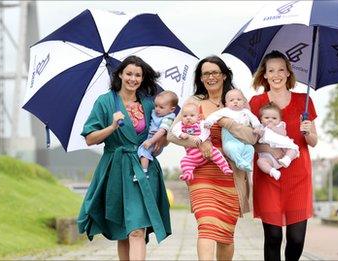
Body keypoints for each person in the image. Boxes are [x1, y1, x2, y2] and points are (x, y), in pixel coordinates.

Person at [77, 55, 171, 261]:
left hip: (143, 169)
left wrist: (162, 140)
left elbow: (158, 141)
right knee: (124, 231)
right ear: (120, 74)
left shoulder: (150, 104)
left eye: (138, 75)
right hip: (116, 169)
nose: (133, 79)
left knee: (138, 229)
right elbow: (90, 139)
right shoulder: (105, 102)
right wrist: (111, 127)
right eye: (129, 73)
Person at [167, 55, 258, 260]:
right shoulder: (193, 103)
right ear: (200, 78)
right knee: (206, 225)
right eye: (206, 73)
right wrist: (200, 141)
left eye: (215, 72)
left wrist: (226, 122)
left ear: (224, 75)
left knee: (226, 237)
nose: (211, 77)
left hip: (231, 175)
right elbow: (172, 134)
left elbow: (252, 137)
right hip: (202, 173)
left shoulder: (238, 101)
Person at [249, 50, 318, 261]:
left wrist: (308, 131)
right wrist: (270, 151)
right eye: (271, 70)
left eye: (281, 69)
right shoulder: (256, 102)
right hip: (269, 175)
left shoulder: (304, 101)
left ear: (288, 73)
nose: (276, 74)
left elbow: (313, 142)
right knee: (273, 236)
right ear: (265, 74)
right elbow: (251, 141)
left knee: (296, 239)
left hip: (298, 176)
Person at [171, 102, 233, 181]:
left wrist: (200, 139)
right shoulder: (180, 125)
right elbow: (174, 130)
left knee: (216, 152)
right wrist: (180, 134)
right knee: (184, 161)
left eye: (192, 115)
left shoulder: (201, 123)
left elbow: (206, 132)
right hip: (192, 156)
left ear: (198, 116)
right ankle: (188, 174)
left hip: (207, 152)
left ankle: (225, 168)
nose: (188, 118)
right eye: (185, 116)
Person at [203, 89, 261, 172]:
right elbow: (214, 116)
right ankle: (240, 162)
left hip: (244, 141)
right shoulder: (225, 111)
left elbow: (254, 119)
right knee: (231, 148)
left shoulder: (246, 112)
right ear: (226, 104)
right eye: (231, 100)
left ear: (244, 102)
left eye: (239, 100)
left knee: (250, 149)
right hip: (230, 139)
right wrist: (208, 122)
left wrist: (257, 127)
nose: (235, 102)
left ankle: (246, 163)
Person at [137, 90, 178, 181]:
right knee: (142, 152)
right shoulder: (155, 113)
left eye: (161, 107)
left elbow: (162, 131)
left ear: (171, 109)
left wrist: (151, 141)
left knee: (144, 151)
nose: (157, 109)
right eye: (156, 106)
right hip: (150, 139)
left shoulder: (169, 117)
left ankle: (143, 173)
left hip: (154, 141)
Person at [256, 102, 300, 181]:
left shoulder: (280, 126)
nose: (270, 120)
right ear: (261, 120)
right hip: (269, 159)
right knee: (260, 162)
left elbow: (283, 133)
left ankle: (287, 159)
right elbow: (257, 138)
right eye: (266, 118)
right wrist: (257, 131)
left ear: (280, 120)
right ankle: (272, 171)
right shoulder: (261, 127)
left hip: (283, 152)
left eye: (274, 118)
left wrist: (273, 128)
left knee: (293, 149)